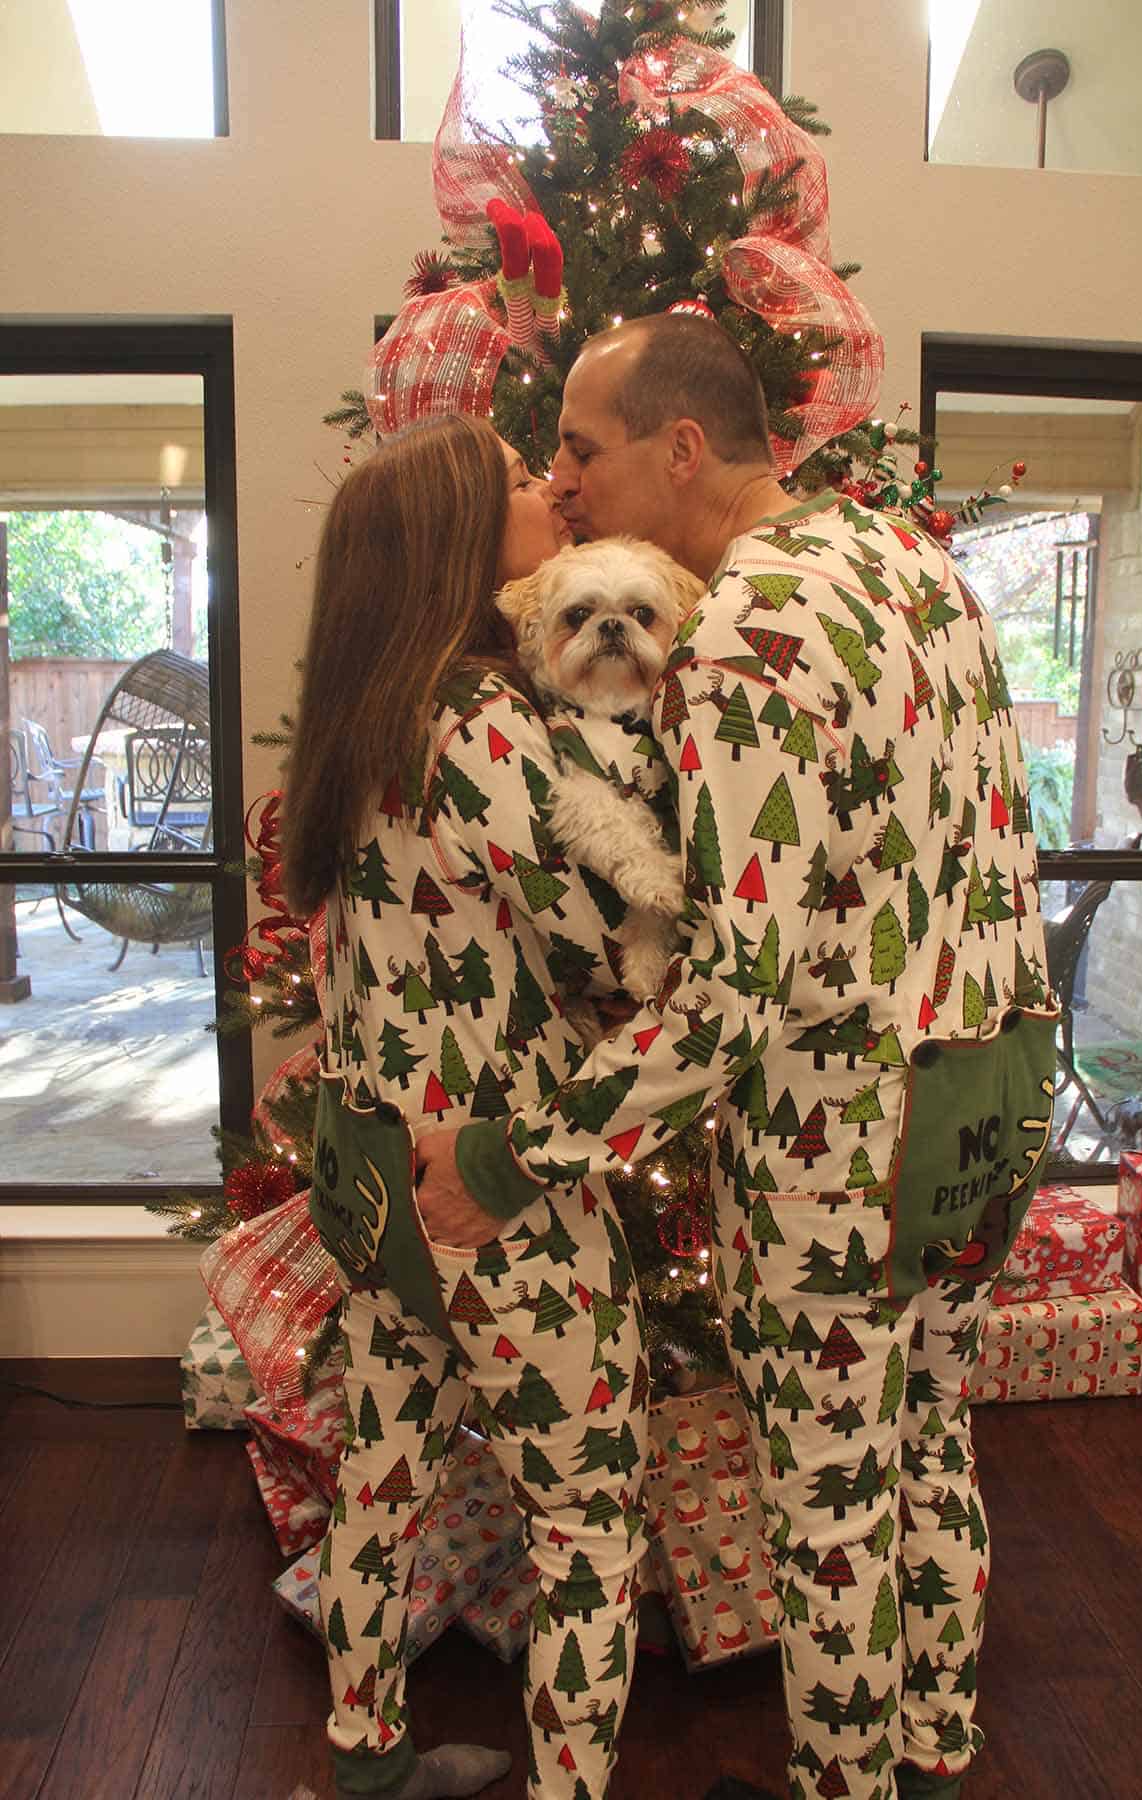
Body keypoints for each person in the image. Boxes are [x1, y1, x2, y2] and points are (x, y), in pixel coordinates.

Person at [414, 315, 1059, 1800]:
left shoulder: (750, 623)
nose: (561, 484)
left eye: (580, 449)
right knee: (928, 1445)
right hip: (986, 1095)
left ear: (681, 448)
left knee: (830, 1509)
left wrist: (518, 1156)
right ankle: (936, 1752)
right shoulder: (912, 561)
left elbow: (732, 987)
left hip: (844, 1145)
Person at [283, 414, 652, 1800]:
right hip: (497, 1186)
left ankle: (365, 1756)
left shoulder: (358, 718)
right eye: (517, 483)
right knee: (588, 1530)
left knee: (383, 1469)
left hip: (370, 1170)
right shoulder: (486, 716)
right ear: (455, 539)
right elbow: (587, 933)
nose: (551, 490)